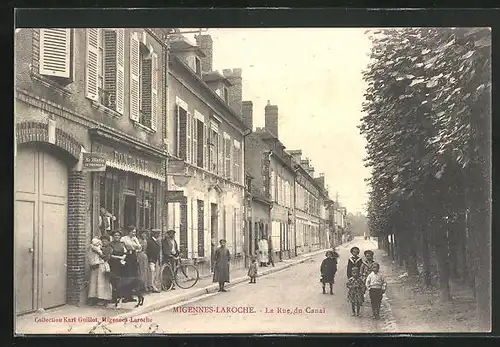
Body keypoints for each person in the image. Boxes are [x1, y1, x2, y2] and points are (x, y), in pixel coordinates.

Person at [87, 238, 112, 306]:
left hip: (102, 266)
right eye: (102, 241)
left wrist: (101, 254)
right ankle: (94, 298)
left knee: (103, 283)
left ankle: (105, 298)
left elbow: (106, 257)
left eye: (105, 241)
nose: (103, 243)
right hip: (95, 266)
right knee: (94, 282)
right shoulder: (95, 248)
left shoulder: (108, 249)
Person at [108, 230, 127, 303]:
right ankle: (114, 297)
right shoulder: (111, 244)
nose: (117, 237)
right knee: (114, 280)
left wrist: (124, 257)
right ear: (113, 237)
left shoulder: (122, 244)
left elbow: (125, 252)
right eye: (115, 235)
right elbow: (110, 255)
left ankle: (121, 296)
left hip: (121, 264)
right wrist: (119, 257)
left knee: (121, 280)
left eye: (118, 235)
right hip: (113, 263)